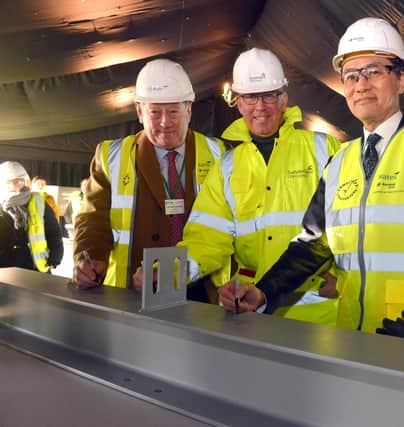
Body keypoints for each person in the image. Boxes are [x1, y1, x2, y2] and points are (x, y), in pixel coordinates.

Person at [219, 18, 404, 345]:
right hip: (350, 339)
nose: (361, 84)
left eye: (374, 71)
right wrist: (263, 291)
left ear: (401, 78)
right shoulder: (339, 161)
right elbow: (311, 245)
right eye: (351, 75)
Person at [154, 48, 341, 324]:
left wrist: (345, 278)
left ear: (284, 99)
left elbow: (350, 224)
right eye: (251, 97)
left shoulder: (323, 149)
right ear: (238, 103)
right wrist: (166, 272)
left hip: (317, 312)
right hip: (251, 309)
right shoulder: (227, 166)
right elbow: (206, 237)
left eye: (268, 95)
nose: (260, 107)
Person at [73, 58, 226, 295]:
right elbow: (93, 219)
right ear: (139, 112)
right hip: (132, 290)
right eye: (155, 112)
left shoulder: (219, 155)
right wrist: (90, 258)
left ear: (189, 110)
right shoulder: (109, 156)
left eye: (173, 111)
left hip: (199, 291)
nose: (165, 122)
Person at [0, 161, 63, 271]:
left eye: (18, 181)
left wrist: (55, 258)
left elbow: (54, 232)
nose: (13, 186)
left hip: (35, 265)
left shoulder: (39, 202)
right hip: (5, 265)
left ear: (25, 182)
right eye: (8, 183)